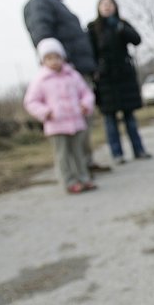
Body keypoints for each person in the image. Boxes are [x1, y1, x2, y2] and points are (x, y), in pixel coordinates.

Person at [23, 0, 110, 173]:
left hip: (77, 71)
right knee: (71, 125)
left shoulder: (56, 3)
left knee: (83, 120)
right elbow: (43, 36)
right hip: (66, 73)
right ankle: (76, 169)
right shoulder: (41, 3)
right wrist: (58, 66)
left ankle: (85, 163)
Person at [24, 38, 96, 194]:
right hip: (55, 125)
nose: (54, 61)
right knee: (62, 156)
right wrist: (45, 112)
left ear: (63, 57)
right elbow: (31, 102)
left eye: (57, 57)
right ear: (43, 60)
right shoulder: (40, 80)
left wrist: (85, 104)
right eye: (49, 58)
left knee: (79, 153)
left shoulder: (73, 75)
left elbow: (86, 93)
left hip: (76, 122)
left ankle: (84, 178)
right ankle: (69, 182)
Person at [87, 0, 151, 165]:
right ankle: (117, 154)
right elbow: (90, 52)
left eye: (110, 4)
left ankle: (139, 149)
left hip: (124, 76)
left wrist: (121, 27)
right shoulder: (93, 28)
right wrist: (96, 71)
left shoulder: (122, 24)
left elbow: (137, 40)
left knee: (129, 116)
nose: (107, 7)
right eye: (104, 4)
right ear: (98, 8)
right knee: (110, 119)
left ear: (115, 6)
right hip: (106, 78)